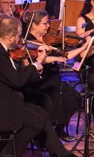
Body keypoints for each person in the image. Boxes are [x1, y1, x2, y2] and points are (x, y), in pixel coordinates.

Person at [0, 15, 88, 157]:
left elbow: (15, 77)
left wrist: (36, 63)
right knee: (36, 119)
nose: (21, 39)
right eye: (19, 36)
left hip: (5, 98)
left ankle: (63, 155)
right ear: (10, 37)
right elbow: (17, 80)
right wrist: (37, 63)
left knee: (40, 114)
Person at [20, 11, 86, 139]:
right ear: (34, 25)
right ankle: (46, 133)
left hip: (54, 79)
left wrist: (84, 47)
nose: (48, 26)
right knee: (55, 98)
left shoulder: (47, 39)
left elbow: (66, 55)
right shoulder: (28, 41)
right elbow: (38, 60)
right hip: (40, 81)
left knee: (75, 97)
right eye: (45, 23)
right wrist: (55, 58)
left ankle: (59, 128)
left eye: (48, 23)